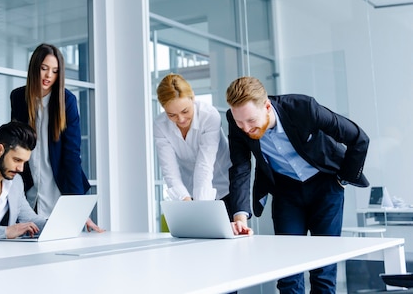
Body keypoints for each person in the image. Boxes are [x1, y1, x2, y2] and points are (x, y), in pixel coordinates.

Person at [225, 76, 370, 294]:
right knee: (287, 274)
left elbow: (359, 138)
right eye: (240, 123)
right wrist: (239, 216)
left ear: (267, 106)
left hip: (325, 187)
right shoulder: (236, 118)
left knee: (323, 271)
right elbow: (240, 167)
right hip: (286, 191)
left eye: (251, 121)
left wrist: (343, 180)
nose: (245, 128)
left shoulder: (304, 109)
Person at [10, 43, 103, 233]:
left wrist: (78, 208)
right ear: (35, 67)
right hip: (29, 195)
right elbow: (14, 144)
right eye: (44, 69)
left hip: (59, 193)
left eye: (54, 71)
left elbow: (71, 156)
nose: (48, 76)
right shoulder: (19, 97)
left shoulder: (66, 101)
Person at [154, 74, 233, 214]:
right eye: (171, 115)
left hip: (224, 187)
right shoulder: (161, 126)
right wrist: (185, 200)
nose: (181, 119)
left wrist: (200, 209)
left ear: (193, 98)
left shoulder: (208, 116)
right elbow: (169, 170)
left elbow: (204, 165)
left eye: (185, 111)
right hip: (188, 192)